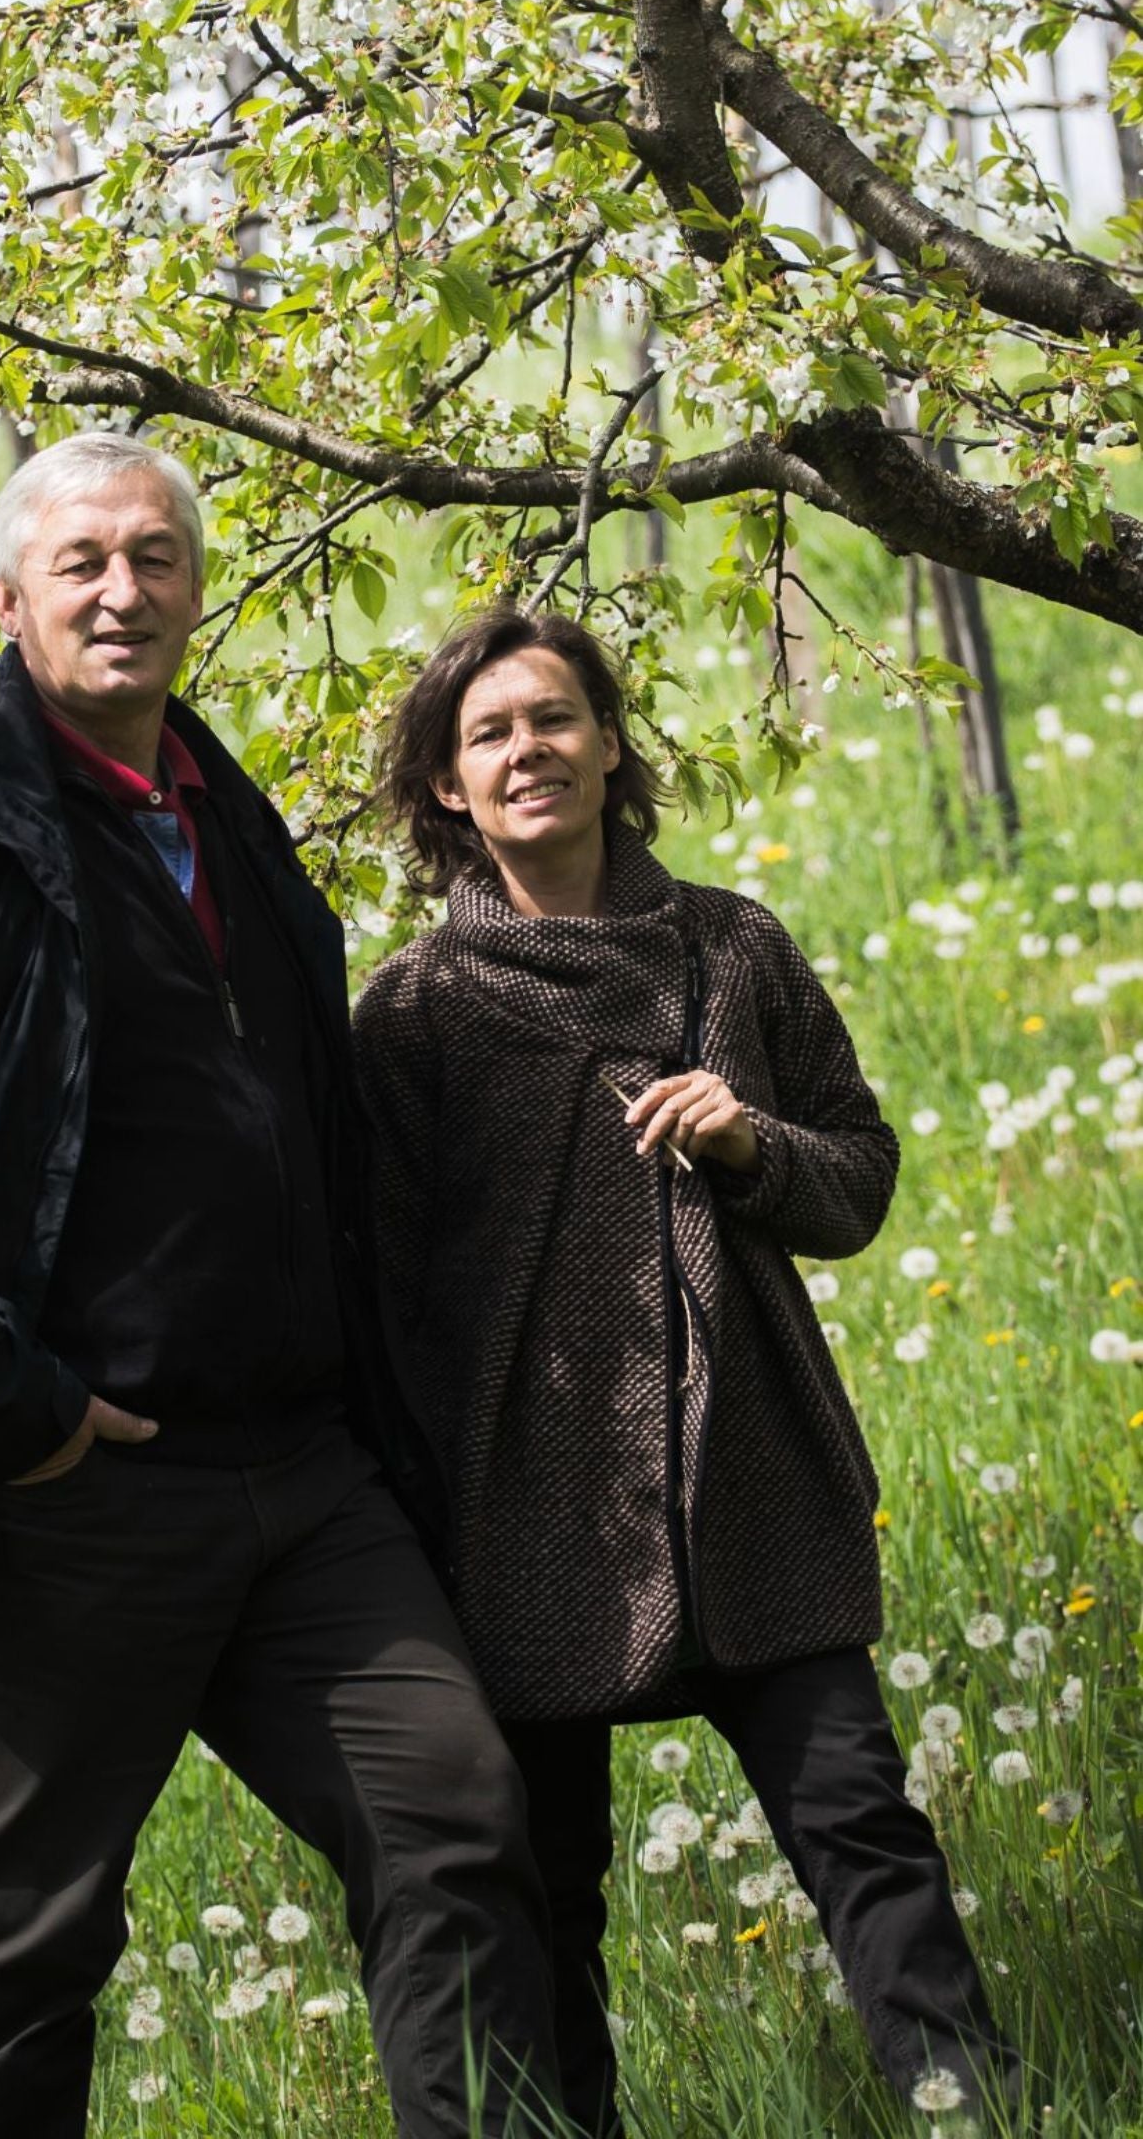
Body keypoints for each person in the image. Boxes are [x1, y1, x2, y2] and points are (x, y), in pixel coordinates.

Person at [0, 435, 562, 2139]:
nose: (122, 590)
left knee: (455, 1823)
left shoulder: (227, 824)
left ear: (196, 592)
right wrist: (19, 1413)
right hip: (68, 1500)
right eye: (82, 561)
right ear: (9, 602)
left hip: (303, 1481)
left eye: (156, 557)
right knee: (26, 1950)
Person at [352, 610, 1018, 2137]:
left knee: (862, 1829)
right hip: (531, 1522)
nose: (528, 751)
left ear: (608, 743)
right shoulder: (414, 1011)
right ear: (447, 785)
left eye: (554, 718)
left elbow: (858, 1182)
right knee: (548, 1890)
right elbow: (375, 1301)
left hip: (757, 1487)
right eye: (489, 734)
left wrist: (751, 1143)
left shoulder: (735, 950)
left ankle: (977, 2110)